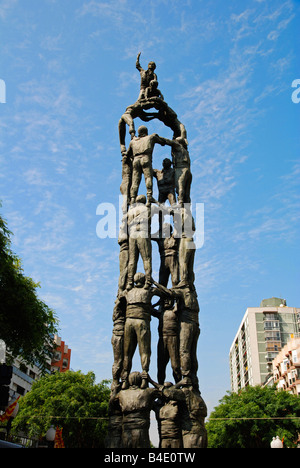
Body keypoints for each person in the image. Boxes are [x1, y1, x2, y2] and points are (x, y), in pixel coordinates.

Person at [121, 273, 166, 390]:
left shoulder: (127, 292)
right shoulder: (150, 290)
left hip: (129, 322)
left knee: (127, 354)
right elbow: (165, 293)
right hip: (142, 322)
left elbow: (119, 302)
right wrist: (154, 282)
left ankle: (124, 380)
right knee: (145, 352)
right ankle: (145, 380)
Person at [124, 125, 166, 207]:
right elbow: (163, 142)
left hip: (136, 160)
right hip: (146, 159)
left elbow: (127, 154)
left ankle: (133, 199)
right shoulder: (151, 137)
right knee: (148, 178)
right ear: (146, 132)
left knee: (135, 180)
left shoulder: (133, 141)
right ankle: (149, 197)